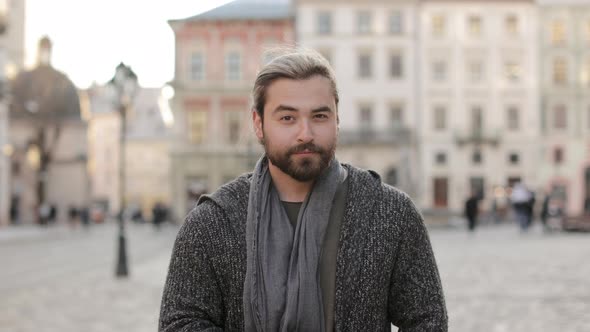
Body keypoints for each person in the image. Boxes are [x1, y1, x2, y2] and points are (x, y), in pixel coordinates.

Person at [159, 49, 447, 331]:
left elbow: (427, 320)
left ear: (337, 120)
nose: (305, 133)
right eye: (287, 118)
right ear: (258, 124)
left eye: (319, 116)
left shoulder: (390, 213)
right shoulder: (212, 223)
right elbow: (180, 323)